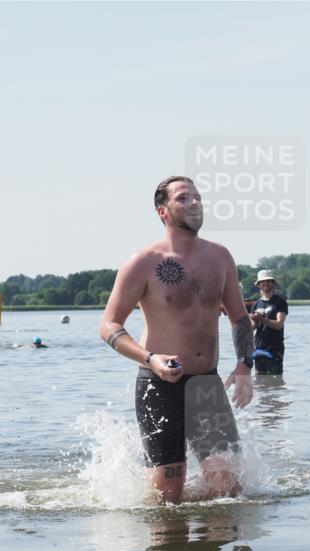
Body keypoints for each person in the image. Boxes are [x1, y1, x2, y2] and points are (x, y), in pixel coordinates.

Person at [99, 176, 254, 504]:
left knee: (228, 486)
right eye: (184, 198)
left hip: (206, 386)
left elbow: (239, 317)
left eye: (198, 197)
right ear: (163, 211)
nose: (195, 203)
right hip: (159, 385)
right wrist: (150, 358)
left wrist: (244, 365)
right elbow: (109, 325)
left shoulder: (220, 257)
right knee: (167, 496)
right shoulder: (143, 262)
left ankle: (207, 549)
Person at [249, 269, 288, 375]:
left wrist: (262, 319)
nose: (265, 283)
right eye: (262, 281)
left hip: (275, 347)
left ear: (273, 283)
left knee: (275, 379)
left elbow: (279, 324)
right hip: (259, 346)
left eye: (268, 281)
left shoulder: (280, 302)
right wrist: (254, 321)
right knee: (260, 379)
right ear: (259, 284)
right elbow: (251, 328)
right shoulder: (256, 304)